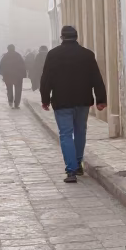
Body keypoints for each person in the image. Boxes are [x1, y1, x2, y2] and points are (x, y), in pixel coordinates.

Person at [40, 26, 106, 183]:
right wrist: (101, 99)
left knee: (66, 134)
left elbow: (46, 79)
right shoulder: (87, 55)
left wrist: (45, 99)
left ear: (62, 37)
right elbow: (96, 78)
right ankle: (78, 164)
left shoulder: (53, 55)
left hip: (61, 101)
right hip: (83, 100)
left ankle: (71, 170)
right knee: (80, 131)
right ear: (76, 37)